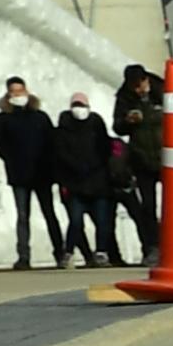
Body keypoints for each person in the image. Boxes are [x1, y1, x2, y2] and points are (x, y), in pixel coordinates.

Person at [0, 80, 59, 269]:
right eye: (14, 92)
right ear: (8, 95)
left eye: (20, 91)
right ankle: (23, 256)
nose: (18, 95)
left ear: (27, 91)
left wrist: (50, 166)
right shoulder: (2, 119)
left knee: (49, 213)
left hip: (43, 174)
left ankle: (60, 252)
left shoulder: (40, 117)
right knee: (22, 216)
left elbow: (52, 142)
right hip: (19, 174)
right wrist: (13, 159)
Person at [49, 91, 117, 265]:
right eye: (76, 106)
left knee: (102, 220)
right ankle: (69, 252)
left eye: (82, 105)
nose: (79, 109)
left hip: (98, 181)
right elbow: (60, 154)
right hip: (75, 184)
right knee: (76, 221)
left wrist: (99, 167)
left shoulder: (96, 124)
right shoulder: (63, 129)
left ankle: (101, 251)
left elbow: (105, 148)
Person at [112, 67, 166, 264]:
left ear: (146, 81)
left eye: (140, 85)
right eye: (133, 87)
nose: (138, 90)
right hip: (142, 159)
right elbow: (117, 126)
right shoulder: (125, 97)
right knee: (148, 207)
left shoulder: (162, 91)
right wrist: (127, 121)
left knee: (172, 205)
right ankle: (152, 246)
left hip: (165, 158)